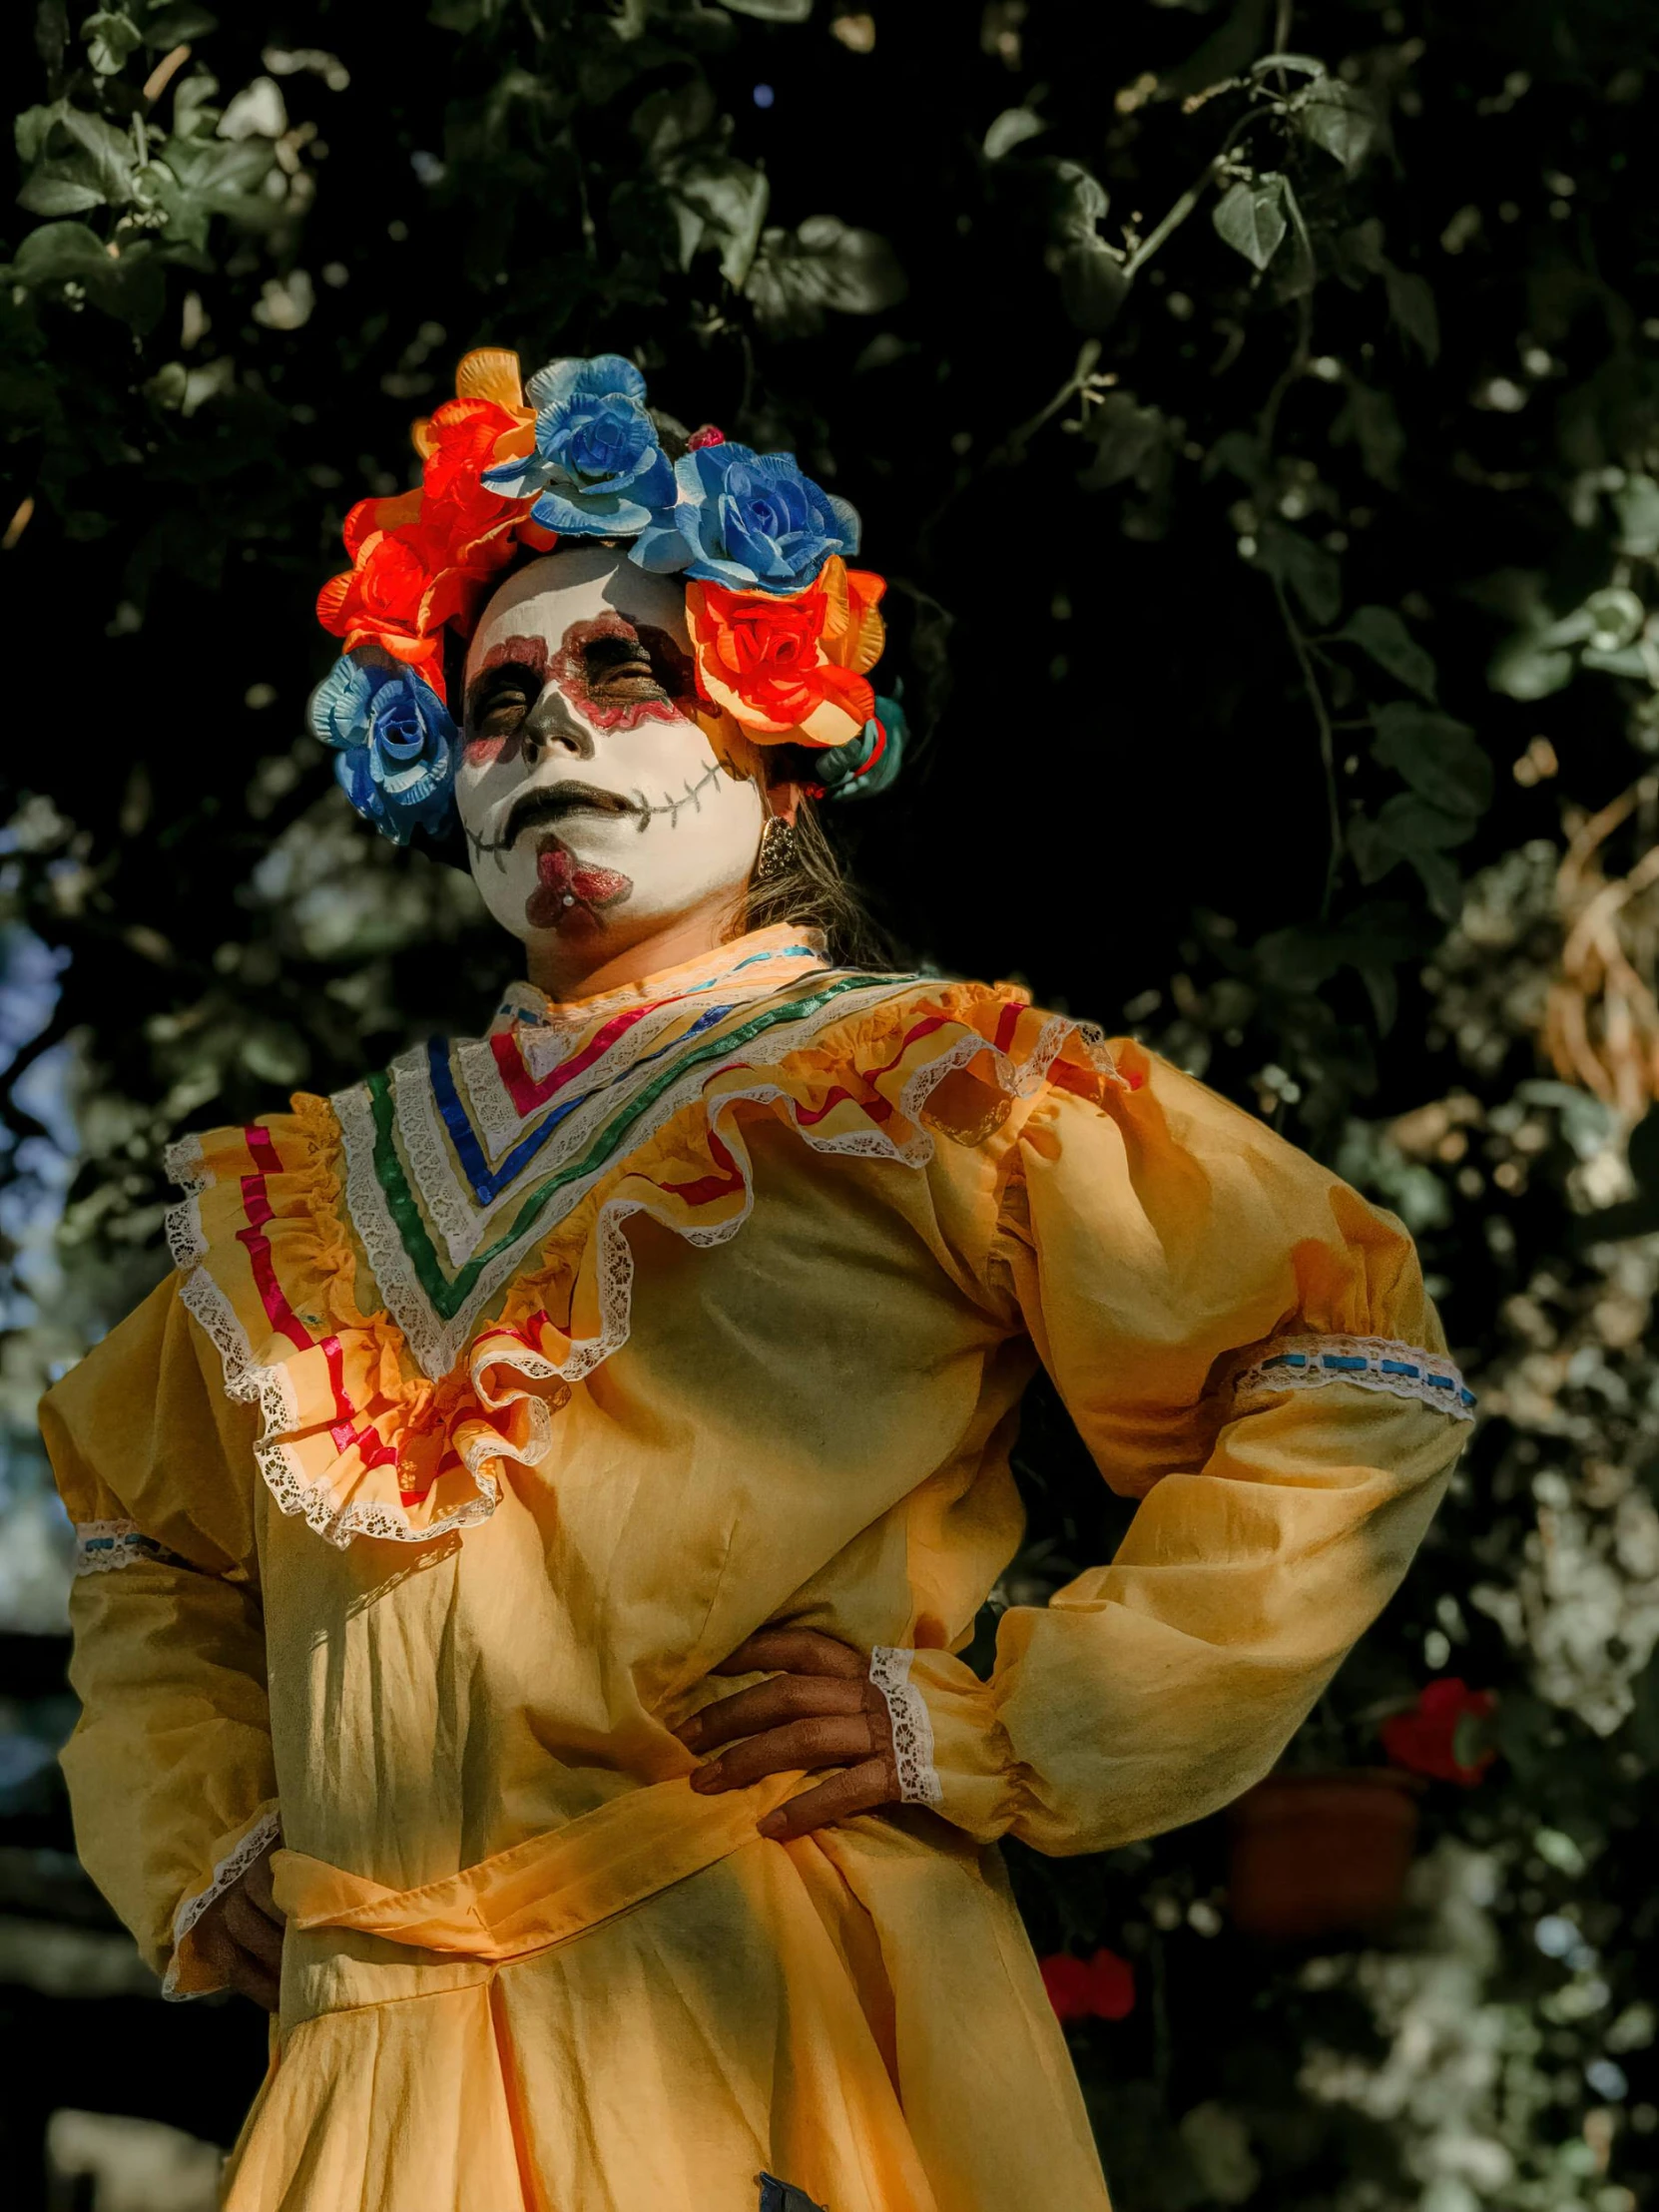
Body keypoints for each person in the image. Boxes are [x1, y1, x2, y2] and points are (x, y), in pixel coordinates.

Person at [40, 349, 1472, 2212]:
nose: (552, 723)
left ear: (775, 737)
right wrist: (204, 1828)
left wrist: (1004, 1726)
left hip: (768, 2033)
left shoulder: (938, 1090)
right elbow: (144, 1544)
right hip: (369, 2072)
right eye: (493, 698)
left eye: (623, 665)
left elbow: (1349, 1370)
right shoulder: (308, 1190)